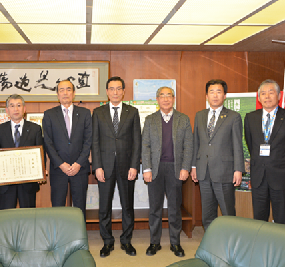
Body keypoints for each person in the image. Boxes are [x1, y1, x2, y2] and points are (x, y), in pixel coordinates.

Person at [92, 76, 141, 257]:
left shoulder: (132, 112)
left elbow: (137, 141)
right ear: (107, 91)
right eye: (111, 89)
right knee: (104, 207)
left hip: (126, 167)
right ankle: (107, 242)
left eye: (118, 88)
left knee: (127, 206)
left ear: (123, 91)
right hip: (104, 168)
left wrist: (135, 165)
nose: (115, 92)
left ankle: (126, 241)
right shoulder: (98, 112)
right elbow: (95, 142)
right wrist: (97, 166)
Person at [142, 86, 193, 257]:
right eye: (162, 96)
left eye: (169, 96)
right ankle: (154, 242)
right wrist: (147, 168)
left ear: (174, 98)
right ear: (157, 99)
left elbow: (188, 146)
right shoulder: (150, 120)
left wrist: (185, 167)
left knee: (174, 208)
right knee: (155, 208)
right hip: (155, 169)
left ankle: (175, 243)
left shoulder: (183, 119)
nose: (166, 99)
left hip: (175, 169)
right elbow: (146, 146)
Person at [244, 79, 285, 224]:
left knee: (281, 219)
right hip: (259, 178)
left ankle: (280, 247)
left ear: (278, 96)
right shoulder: (251, 118)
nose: (267, 96)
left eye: (271, 93)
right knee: (259, 218)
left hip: (282, 177)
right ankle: (260, 245)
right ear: (259, 98)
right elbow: (251, 145)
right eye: (263, 93)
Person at [191, 79, 244, 231]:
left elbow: (237, 145)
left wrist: (238, 169)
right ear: (206, 95)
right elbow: (197, 142)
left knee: (227, 211)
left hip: (224, 171)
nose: (215, 95)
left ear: (225, 95)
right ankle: (210, 240)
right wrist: (194, 166)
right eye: (211, 92)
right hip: (203, 171)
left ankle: (231, 242)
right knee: (207, 212)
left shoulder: (233, 117)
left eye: (219, 92)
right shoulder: (200, 115)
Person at [42, 80, 92, 218]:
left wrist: (78, 163)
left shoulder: (85, 113)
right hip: (58, 169)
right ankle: (58, 237)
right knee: (58, 206)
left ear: (74, 93)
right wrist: (61, 164)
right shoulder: (49, 115)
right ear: (57, 95)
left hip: (80, 168)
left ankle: (79, 237)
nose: (65, 93)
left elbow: (88, 141)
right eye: (62, 90)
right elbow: (48, 142)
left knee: (80, 206)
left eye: (68, 89)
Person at [0, 94, 44, 210]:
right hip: (6, 183)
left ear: (24, 109)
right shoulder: (0, 129)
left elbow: (40, 151)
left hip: (28, 182)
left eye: (19, 105)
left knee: (28, 217)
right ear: (7, 110)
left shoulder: (35, 128)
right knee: (6, 218)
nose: (16, 109)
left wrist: (41, 169)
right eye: (12, 106)